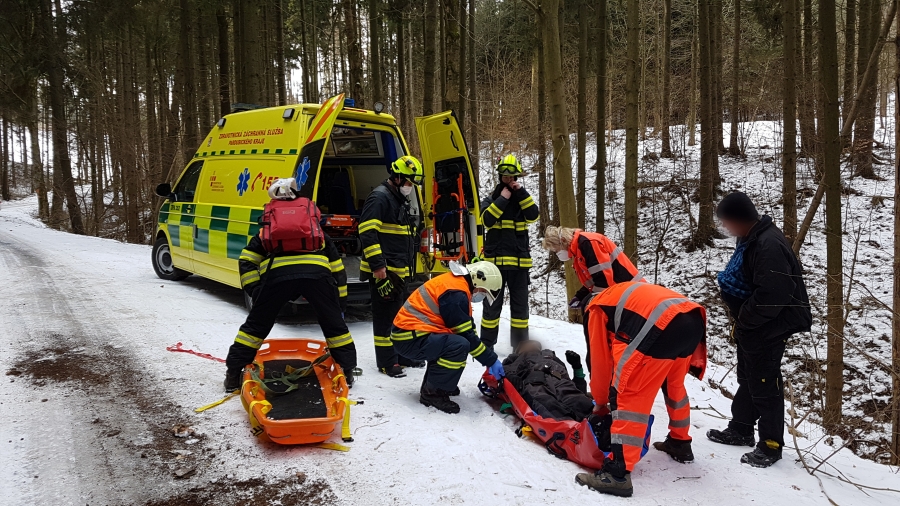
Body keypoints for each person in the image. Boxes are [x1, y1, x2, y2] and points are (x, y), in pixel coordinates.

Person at [706, 192, 811, 468]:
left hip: (770, 325)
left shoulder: (768, 245)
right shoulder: (751, 237)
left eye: (727, 221)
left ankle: (771, 445)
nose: (725, 227)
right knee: (749, 376)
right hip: (754, 323)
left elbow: (774, 294)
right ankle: (741, 429)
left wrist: (745, 319)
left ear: (740, 219)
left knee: (765, 382)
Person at [575, 281, 707, 498]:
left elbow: (599, 361)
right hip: (691, 319)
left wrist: (600, 401)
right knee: (673, 384)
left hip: (661, 326)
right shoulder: (617, 295)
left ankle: (617, 474)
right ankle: (680, 443)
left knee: (628, 392)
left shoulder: (596, 309)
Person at [224, 179, 357, 392]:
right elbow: (337, 269)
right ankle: (347, 372)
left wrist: (256, 291)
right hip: (317, 278)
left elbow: (247, 260)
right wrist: (339, 303)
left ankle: (233, 374)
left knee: (255, 328)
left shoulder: (268, 229)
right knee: (335, 327)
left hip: (277, 278)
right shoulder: (316, 231)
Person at [390, 261, 506, 414]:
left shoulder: (457, 286)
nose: (481, 295)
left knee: (454, 343)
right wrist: (490, 360)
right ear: (478, 279)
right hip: (410, 338)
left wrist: (487, 356)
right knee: (458, 345)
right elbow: (465, 334)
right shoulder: (455, 293)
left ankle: (440, 384)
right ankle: (433, 394)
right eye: (483, 291)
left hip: (413, 335)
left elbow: (467, 328)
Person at [359, 155, 427, 378]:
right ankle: (387, 362)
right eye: (408, 182)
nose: (410, 187)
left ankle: (402, 355)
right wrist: (378, 266)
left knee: (400, 316)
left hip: (399, 270)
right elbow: (367, 232)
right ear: (396, 178)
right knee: (384, 317)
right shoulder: (380, 198)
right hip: (385, 271)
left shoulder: (397, 199)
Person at [542, 225, 644, 372]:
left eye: (556, 250)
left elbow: (604, 281)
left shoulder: (588, 243)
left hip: (632, 295)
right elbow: (595, 279)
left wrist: (590, 300)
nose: (557, 254)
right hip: (623, 294)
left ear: (562, 241)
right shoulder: (579, 251)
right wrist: (580, 295)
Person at [479, 155, 540, 349]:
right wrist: (502, 199)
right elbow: (486, 220)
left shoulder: (522, 200)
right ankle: (486, 346)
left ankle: (520, 347)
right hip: (494, 267)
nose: (509, 180)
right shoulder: (491, 200)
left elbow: (534, 215)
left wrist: (521, 193)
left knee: (520, 311)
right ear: (500, 176)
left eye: (512, 177)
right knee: (491, 308)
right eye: (505, 177)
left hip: (519, 266)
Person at [502, 341, 592, 421]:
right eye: (527, 344)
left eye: (535, 344)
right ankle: (568, 426)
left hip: (560, 381)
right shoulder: (514, 361)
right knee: (549, 405)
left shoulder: (551, 357)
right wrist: (510, 377)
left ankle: (595, 421)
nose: (532, 345)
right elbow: (500, 376)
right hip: (536, 384)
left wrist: (577, 368)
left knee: (580, 402)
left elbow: (576, 388)